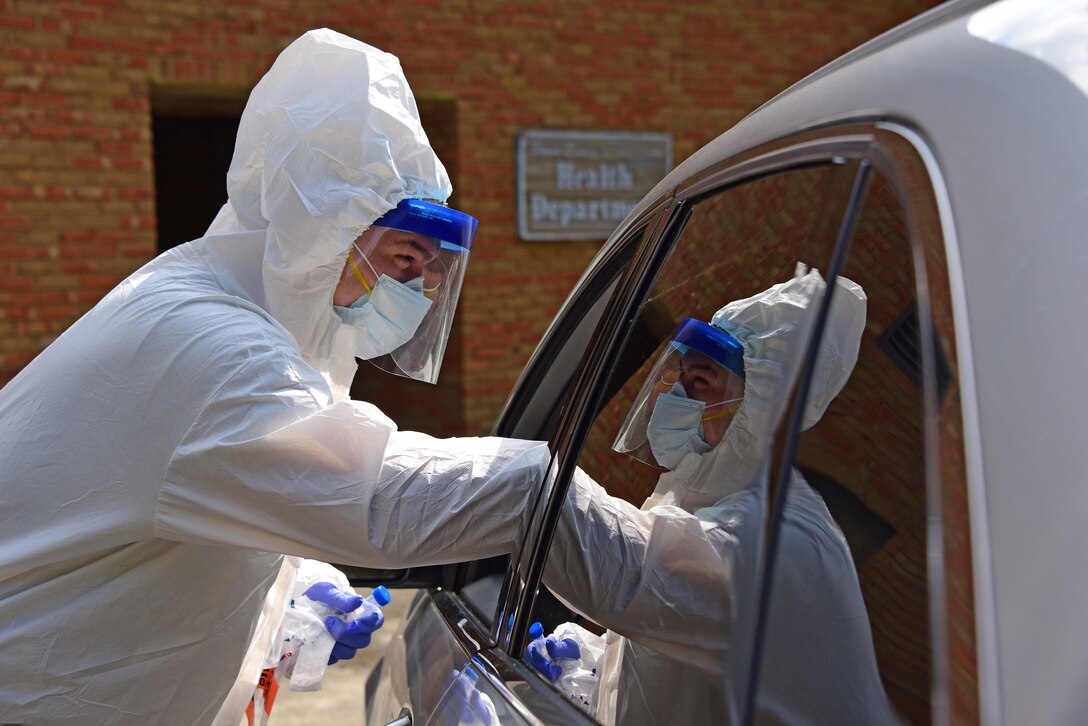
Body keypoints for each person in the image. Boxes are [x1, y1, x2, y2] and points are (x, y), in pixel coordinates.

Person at [0, 29, 548, 725]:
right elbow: (381, 501)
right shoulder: (207, 345)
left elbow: (183, 517)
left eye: (433, 268)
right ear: (323, 231)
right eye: (406, 257)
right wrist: (548, 491)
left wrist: (289, 604)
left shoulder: (245, 325)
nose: (422, 289)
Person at [533, 267, 898, 724]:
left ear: (764, 409)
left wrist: (523, 482)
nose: (679, 395)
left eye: (702, 382)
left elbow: (621, 577)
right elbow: (677, 657)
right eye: (682, 375)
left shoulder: (768, 536)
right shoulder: (700, 500)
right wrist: (588, 669)